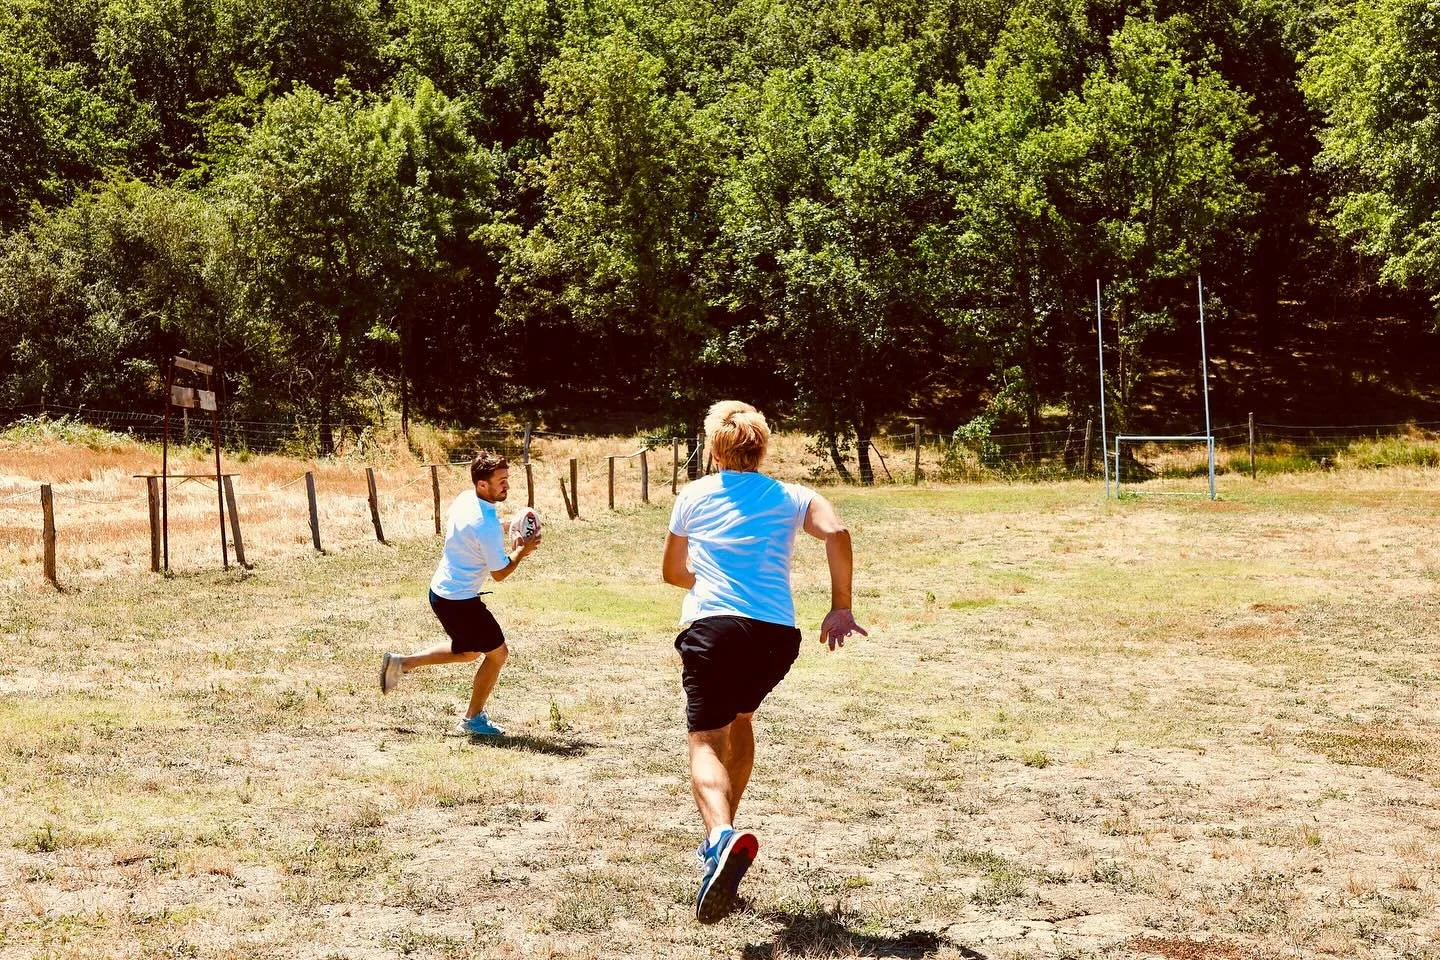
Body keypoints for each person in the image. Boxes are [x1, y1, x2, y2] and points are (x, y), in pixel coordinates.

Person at [662, 401, 866, 923]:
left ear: (712, 448)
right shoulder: (793, 495)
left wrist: (707, 582)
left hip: (714, 627)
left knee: (706, 740)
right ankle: (727, 836)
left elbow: (673, 572)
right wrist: (841, 606)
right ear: (763, 447)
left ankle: (719, 837)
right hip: (776, 635)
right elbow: (838, 534)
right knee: (742, 719)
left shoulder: (693, 494)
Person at [379, 451, 541, 737]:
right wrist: (521, 550)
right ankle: (473, 720)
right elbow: (500, 573)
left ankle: (401, 664)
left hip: (441, 592)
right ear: (482, 484)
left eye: (507, 480)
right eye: (501, 481)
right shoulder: (486, 526)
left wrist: (508, 526)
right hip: (460, 601)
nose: (507, 486)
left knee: (468, 652)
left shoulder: (467, 499)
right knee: (498, 655)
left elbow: (479, 529)